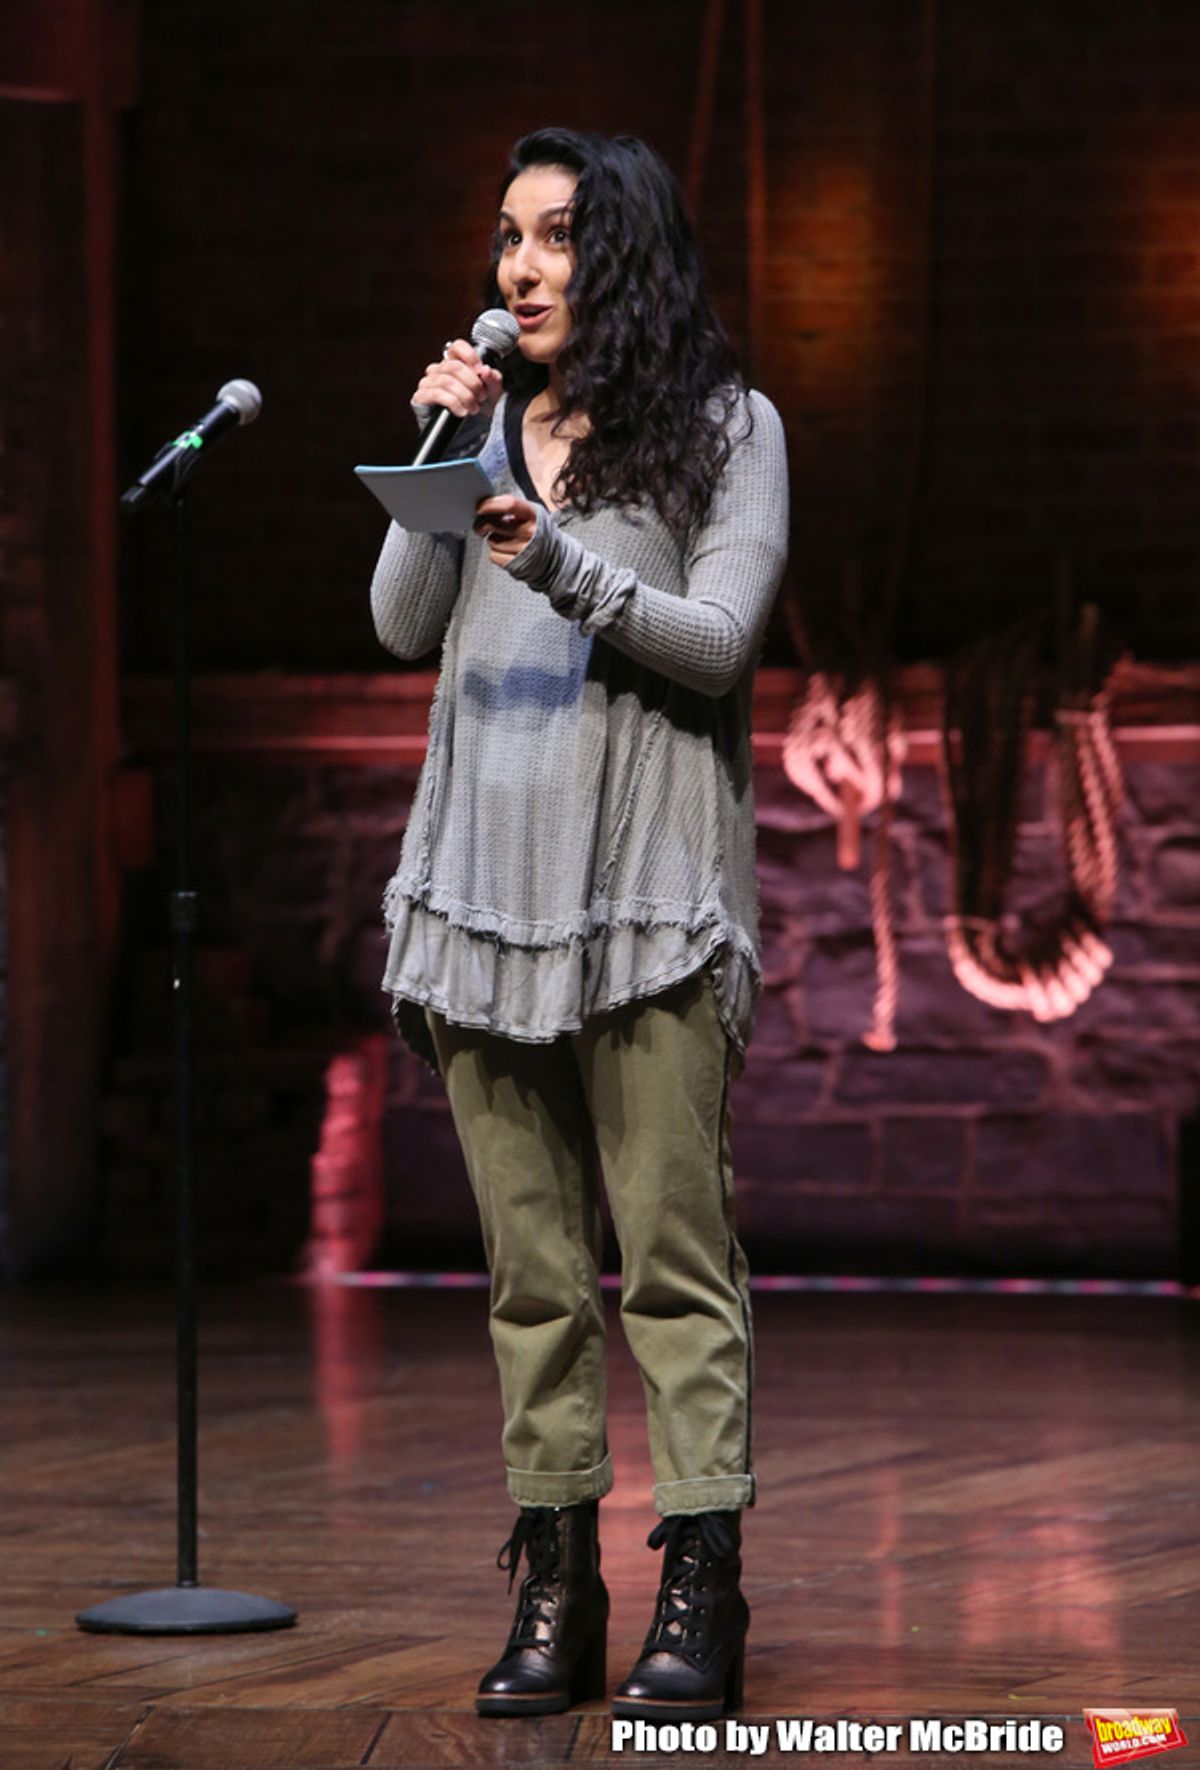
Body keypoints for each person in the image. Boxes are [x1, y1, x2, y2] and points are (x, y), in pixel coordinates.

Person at [370, 127, 788, 1722]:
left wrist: (562, 567)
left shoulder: (726, 432)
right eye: (505, 239)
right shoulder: (488, 425)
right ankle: (556, 1573)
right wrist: (441, 457)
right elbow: (402, 620)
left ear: (622, 254)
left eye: (552, 238)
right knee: (530, 1273)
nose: (517, 270)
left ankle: (701, 1576)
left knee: (674, 1261)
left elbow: (720, 637)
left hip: (644, 901)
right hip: (483, 892)